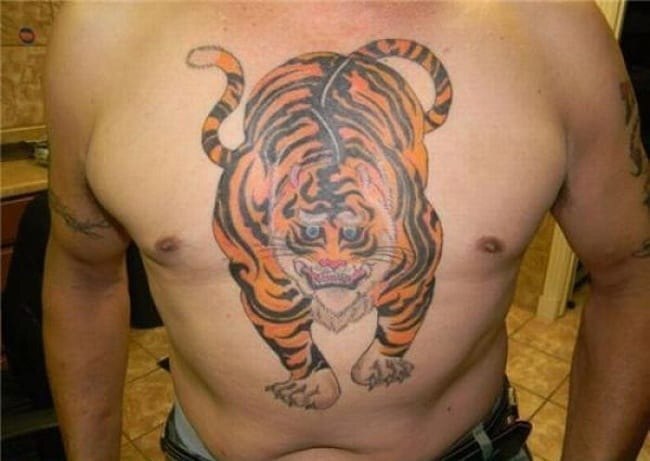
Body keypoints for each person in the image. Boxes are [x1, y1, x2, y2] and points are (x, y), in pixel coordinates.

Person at [42, 2, 649, 460]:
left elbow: (634, 277)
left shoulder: (553, 25)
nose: (333, 263)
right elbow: (83, 278)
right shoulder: (105, 25)